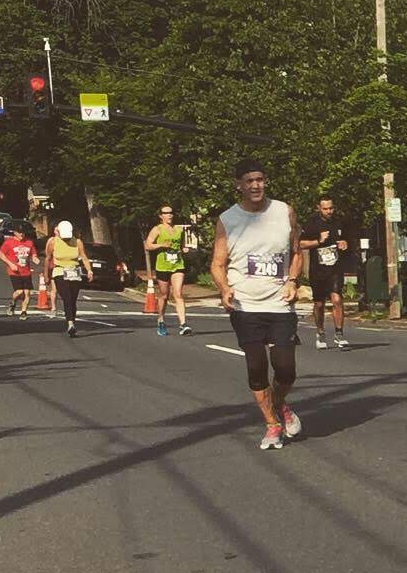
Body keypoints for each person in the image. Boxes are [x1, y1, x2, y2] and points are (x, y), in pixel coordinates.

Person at [211, 160, 304, 450]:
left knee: (286, 369)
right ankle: (272, 424)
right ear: (238, 184)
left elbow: (297, 252)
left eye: (260, 179)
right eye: (249, 181)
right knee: (257, 367)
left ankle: (279, 404)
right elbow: (217, 264)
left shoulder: (283, 211)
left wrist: (292, 280)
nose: (256, 185)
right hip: (245, 304)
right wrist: (224, 288)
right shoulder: (228, 219)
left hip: (279, 303)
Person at [298, 197, 352, 350]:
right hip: (318, 270)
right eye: (326, 209)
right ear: (319, 208)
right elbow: (301, 244)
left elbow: (348, 240)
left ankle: (339, 334)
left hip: (335, 268)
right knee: (319, 304)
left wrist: (345, 243)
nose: (329, 211)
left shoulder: (340, 222)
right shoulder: (312, 223)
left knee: (336, 299)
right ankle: (320, 332)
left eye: (331, 208)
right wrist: (318, 241)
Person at [145, 204, 192, 338]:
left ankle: (183, 324)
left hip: (177, 264)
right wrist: (161, 245)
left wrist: (184, 249)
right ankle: (161, 319)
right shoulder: (157, 229)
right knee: (164, 295)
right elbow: (148, 245)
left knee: (178, 293)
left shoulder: (178, 229)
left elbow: (182, 245)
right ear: (161, 216)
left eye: (171, 212)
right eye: (166, 213)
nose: (169, 215)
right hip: (163, 265)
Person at [44, 220, 94, 338]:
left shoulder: (77, 242)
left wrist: (89, 270)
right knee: (66, 297)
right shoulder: (53, 242)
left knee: (72, 299)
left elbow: (84, 257)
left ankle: (72, 322)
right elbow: (48, 258)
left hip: (74, 271)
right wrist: (46, 275)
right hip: (59, 271)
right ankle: (70, 323)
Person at [0, 224, 37, 317]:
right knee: (19, 292)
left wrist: (35, 258)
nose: (21, 234)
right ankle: (13, 303)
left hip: (26, 271)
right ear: (15, 233)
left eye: (23, 232)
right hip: (14, 271)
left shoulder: (29, 242)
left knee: (27, 293)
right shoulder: (9, 242)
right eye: (19, 232)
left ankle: (23, 312)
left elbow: (33, 253)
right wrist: (10, 264)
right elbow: (0, 254)